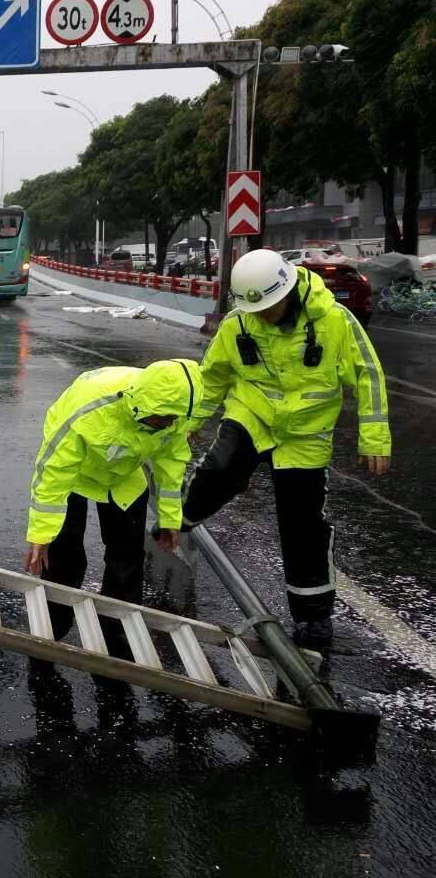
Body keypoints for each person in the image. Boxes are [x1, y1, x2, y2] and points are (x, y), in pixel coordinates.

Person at [182, 248, 390, 645]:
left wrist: (374, 437)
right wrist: (191, 424)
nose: (262, 316)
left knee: (302, 525)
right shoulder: (238, 323)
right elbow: (213, 379)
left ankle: (313, 616)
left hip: (305, 434)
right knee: (221, 467)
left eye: (270, 308)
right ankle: (181, 518)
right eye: (255, 310)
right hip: (253, 413)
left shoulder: (334, 320)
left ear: (288, 291)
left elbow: (369, 376)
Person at [25, 359, 204, 646]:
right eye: (162, 418)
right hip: (77, 471)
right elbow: (53, 473)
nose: (167, 424)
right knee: (64, 554)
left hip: (124, 473)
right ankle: (52, 626)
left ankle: (117, 630)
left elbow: (171, 466)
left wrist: (171, 519)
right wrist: (41, 534)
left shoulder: (174, 414)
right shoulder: (87, 412)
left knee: (127, 556)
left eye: (172, 419)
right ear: (141, 405)